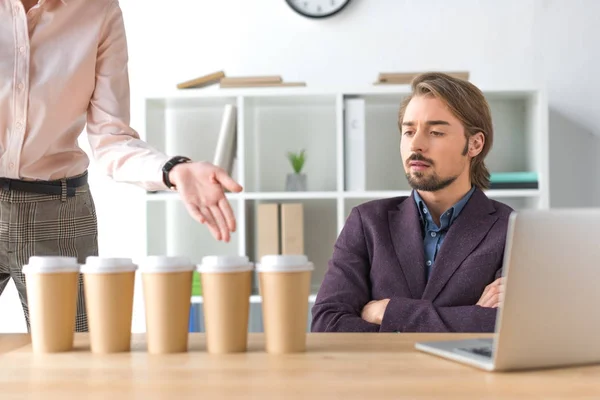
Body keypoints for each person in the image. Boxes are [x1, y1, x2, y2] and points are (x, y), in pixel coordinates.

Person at [0, 0, 242, 332]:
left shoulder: (98, 10)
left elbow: (111, 136)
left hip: (57, 214)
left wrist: (172, 169)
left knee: (74, 366)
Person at [311, 72, 512, 333]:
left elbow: (505, 327)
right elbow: (327, 324)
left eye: (436, 132)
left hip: (467, 375)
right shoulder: (367, 222)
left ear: (474, 144)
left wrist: (386, 312)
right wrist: (467, 317)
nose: (416, 145)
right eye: (408, 131)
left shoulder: (510, 228)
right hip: (383, 375)